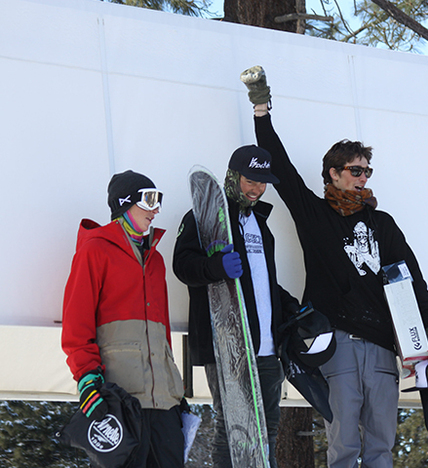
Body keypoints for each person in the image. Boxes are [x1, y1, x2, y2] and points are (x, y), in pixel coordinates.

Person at [241, 65, 428, 468]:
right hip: (338, 343)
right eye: (355, 170)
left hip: (384, 346)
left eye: (367, 170)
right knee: (345, 445)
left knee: (382, 446)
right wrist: (261, 106)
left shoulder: (382, 223)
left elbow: (411, 277)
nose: (363, 177)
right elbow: (279, 166)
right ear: (333, 173)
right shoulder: (315, 216)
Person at [172, 145, 299, 468]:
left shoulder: (260, 223)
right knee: (233, 427)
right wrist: (215, 267)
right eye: (250, 180)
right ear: (233, 176)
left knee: (267, 428)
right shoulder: (203, 216)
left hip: (268, 348)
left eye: (262, 182)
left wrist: (290, 306)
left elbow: (262, 281)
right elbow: (181, 265)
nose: (257, 189)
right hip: (227, 344)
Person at [62, 170, 185, 467]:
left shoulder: (154, 259)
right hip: (121, 400)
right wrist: (88, 381)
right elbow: (76, 325)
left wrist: (174, 390)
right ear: (125, 203)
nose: (155, 210)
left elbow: (162, 331)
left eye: (159, 201)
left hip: (163, 402)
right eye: (149, 200)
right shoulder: (95, 251)